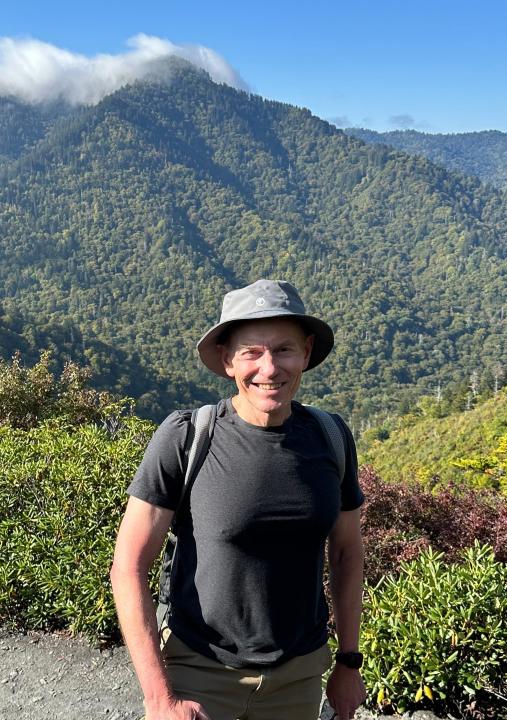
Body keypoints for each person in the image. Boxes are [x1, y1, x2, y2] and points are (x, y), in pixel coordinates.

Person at [110, 279, 366, 720]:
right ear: (228, 360)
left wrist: (348, 662)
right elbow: (128, 566)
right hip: (200, 670)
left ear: (306, 352)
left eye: (284, 350)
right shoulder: (187, 438)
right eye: (252, 352)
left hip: (299, 675)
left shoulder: (331, 437)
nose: (269, 368)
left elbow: (346, 554)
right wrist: (158, 696)